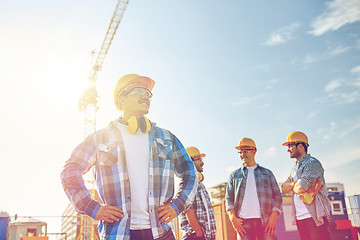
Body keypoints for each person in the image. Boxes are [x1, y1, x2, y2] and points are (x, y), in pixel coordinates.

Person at [61, 74, 199, 240]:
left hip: (161, 234)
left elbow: (189, 171)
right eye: (139, 91)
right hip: (118, 234)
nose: (145, 96)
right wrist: (91, 207)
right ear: (122, 99)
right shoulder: (100, 138)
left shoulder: (166, 138)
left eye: (148, 94)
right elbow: (70, 169)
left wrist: (178, 204)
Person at [225, 137, 282, 240]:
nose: (243, 155)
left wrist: (274, 216)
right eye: (240, 152)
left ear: (254, 151)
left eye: (246, 151)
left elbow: (278, 195)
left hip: (265, 222)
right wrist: (232, 217)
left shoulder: (267, 173)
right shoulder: (234, 175)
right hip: (243, 223)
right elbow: (229, 198)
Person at [281, 131, 331, 240]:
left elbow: (300, 188)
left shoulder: (312, 163)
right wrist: (296, 183)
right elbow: (283, 188)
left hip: (314, 217)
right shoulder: (294, 168)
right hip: (300, 218)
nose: (288, 149)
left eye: (290, 146)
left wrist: (293, 185)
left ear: (300, 146)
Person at [179, 147, 217, 240]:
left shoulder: (200, 184)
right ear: (190, 162)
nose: (202, 162)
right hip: (196, 237)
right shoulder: (187, 182)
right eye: (199, 159)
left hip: (206, 236)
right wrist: (199, 234)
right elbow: (188, 209)